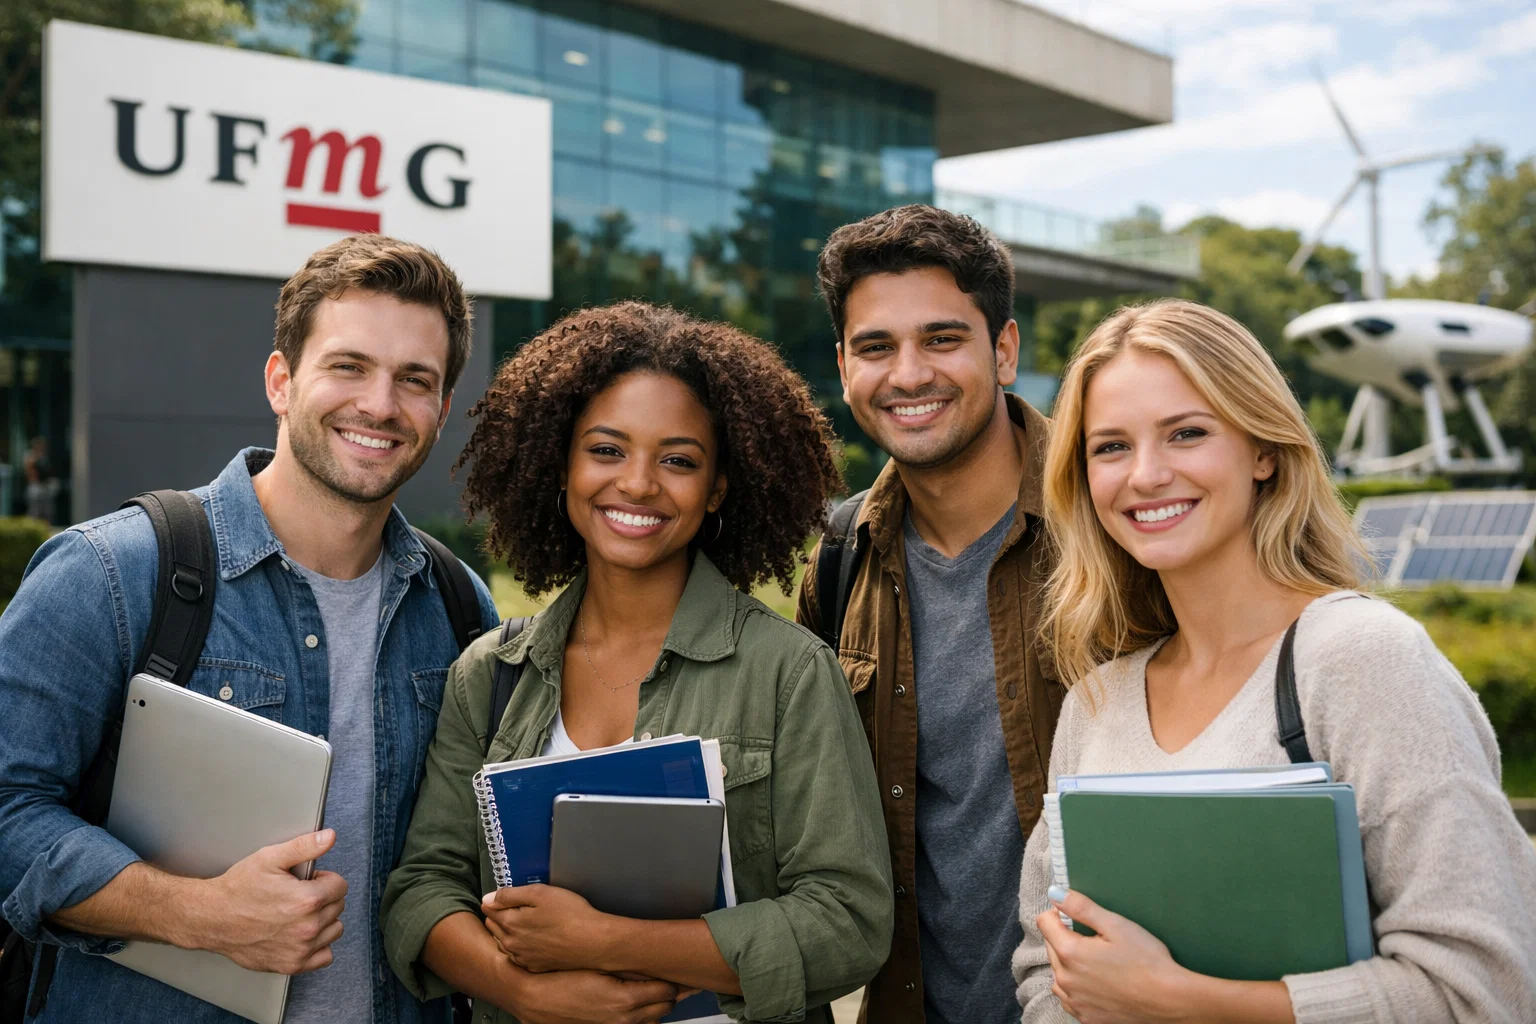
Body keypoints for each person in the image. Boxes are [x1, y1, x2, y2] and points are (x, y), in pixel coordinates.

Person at [0, 234, 499, 1024]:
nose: (379, 404)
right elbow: (7, 809)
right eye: (349, 366)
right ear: (281, 380)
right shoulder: (109, 574)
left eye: (414, 380)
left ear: (440, 412)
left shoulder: (460, 607)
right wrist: (193, 913)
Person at [1014, 298, 1536, 1023]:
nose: (1146, 474)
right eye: (1110, 447)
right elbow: (1045, 966)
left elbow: (1483, 988)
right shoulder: (1097, 702)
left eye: (1186, 433)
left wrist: (1180, 1002)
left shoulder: (1363, 661)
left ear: (1263, 450)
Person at [379, 301, 893, 1024]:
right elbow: (423, 890)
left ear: (717, 487)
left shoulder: (790, 673)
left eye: (678, 460)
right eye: (607, 450)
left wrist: (613, 941)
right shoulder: (492, 672)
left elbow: (848, 923)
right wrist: (522, 988)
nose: (640, 484)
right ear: (562, 463)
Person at [794, 204, 1060, 1024]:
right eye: (877, 347)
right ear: (844, 368)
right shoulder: (837, 563)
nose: (909, 374)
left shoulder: (1116, 530)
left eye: (942, 339)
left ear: (1004, 350)